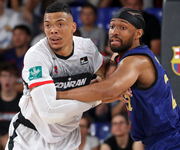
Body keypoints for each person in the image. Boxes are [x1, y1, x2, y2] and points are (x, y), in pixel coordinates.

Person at [57, 7, 180, 149]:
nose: (115, 32)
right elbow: (99, 86)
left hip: (175, 142)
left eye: (123, 27)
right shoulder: (121, 58)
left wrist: (57, 94)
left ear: (138, 33)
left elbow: (107, 89)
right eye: (112, 26)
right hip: (159, 142)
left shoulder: (136, 61)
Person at [5, 2, 129, 150]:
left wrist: (115, 66)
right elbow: (49, 112)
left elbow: (106, 71)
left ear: (73, 27)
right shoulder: (36, 56)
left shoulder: (86, 48)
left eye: (60, 24)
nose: (53, 30)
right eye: (48, 25)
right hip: (31, 137)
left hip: (68, 139)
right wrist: (99, 98)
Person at [2, 24, 31, 93]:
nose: (17, 38)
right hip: (9, 90)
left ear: (28, 37)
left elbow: (37, 81)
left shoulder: (34, 54)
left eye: (21, 34)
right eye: (14, 34)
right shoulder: (7, 55)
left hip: (28, 92)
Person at [0, 62, 22, 150]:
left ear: (16, 78)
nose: (7, 79)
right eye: (4, 76)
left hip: (17, 141)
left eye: (11, 76)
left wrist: (9, 137)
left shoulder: (23, 101)